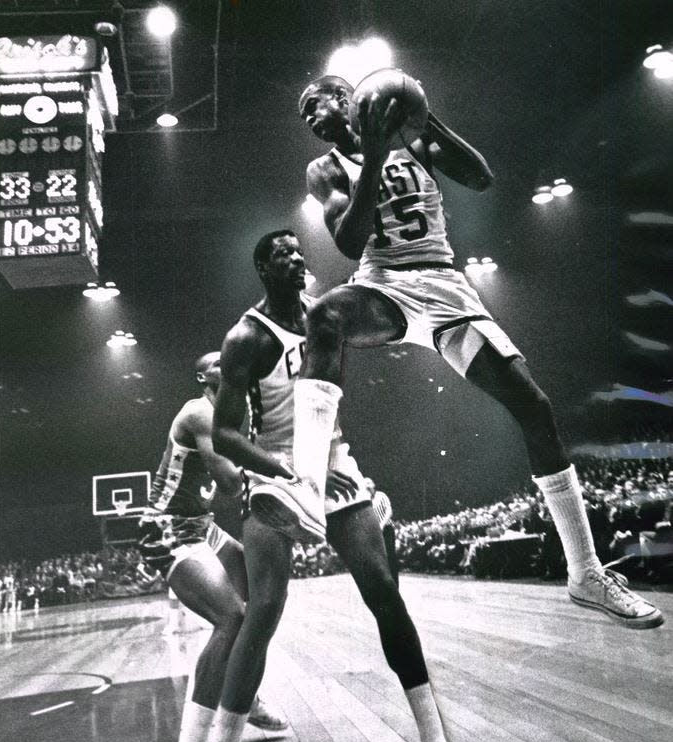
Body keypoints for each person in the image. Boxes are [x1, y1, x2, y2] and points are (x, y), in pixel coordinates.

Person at [250, 74, 663, 631]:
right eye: (304, 117)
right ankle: (307, 484)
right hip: (384, 286)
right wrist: (372, 155)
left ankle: (585, 573)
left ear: (347, 98)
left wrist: (424, 121)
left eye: (314, 105)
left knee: (534, 409)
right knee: (325, 314)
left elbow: (482, 178)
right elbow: (349, 243)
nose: (310, 118)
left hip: (446, 289)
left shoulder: (411, 139)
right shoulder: (325, 169)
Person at [192, 229, 494, 742]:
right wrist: (279, 469)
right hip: (275, 471)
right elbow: (224, 433)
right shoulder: (247, 337)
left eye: (300, 250)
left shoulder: (328, 316)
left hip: (333, 468)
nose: (298, 257)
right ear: (260, 269)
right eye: (282, 253)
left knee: (385, 591)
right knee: (263, 611)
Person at [138, 353, 287, 742]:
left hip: (200, 526)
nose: (232, 362)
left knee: (263, 600)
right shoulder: (199, 412)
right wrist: (280, 470)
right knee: (232, 618)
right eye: (220, 362)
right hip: (167, 528)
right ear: (204, 376)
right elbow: (226, 483)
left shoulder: (232, 417)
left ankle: (242, 690)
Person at [364, 476, 399, 584]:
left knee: (390, 556)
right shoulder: (364, 500)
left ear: (374, 485)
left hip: (387, 529)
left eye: (369, 482)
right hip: (373, 533)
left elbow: (389, 511)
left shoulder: (381, 495)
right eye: (364, 484)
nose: (367, 485)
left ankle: (394, 585)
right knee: (377, 559)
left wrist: (382, 525)